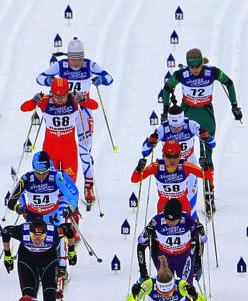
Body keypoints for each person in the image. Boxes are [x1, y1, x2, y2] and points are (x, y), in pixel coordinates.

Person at [36, 37, 114, 204]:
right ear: (68, 57)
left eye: (79, 59)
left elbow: (108, 78)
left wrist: (99, 80)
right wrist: (53, 81)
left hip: (83, 110)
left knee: (85, 150)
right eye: (73, 59)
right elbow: (40, 78)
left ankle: (88, 185)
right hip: (64, 109)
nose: (76, 63)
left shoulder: (89, 65)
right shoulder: (61, 65)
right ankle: (56, 185)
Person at [162, 48, 241, 210]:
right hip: (187, 114)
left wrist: (234, 105)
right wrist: (165, 109)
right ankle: (177, 186)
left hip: (205, 114)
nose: (195, 70)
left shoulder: (211, 72)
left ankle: (209, 188)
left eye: (198, 66)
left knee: (207, 153)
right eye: (192, 67)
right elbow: (167, 88)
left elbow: (229, 82)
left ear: (201, 63)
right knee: (181, 152)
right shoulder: (182, 74)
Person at [21, 77, 98, 184]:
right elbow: (24, 108)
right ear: (52, 93)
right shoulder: (45, 100)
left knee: (70, 183)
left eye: (63, 96)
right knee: (51, 183)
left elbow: (95, 105)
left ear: (68, 92)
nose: (60, 99)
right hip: (50, 147)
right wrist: (33, 101)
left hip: (69, 148)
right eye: (56, 96)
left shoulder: (74, 99)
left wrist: (84, 99)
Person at [1, 211, 75, 301]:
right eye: (34, 236)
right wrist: (7, 255)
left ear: (45, 234)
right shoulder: (23, 231)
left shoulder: (54, 232)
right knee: (28, 298)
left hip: (48, 260)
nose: (37, 240)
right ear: (29, 233)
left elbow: (69, 229)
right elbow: (5, 231)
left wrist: (72, 251)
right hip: (27, 260)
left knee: (50, 298)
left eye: (40, 237)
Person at [136, 199, 205, 284]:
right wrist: (143, 272)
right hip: (164, 259)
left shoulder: (187, 219)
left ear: (180, 217)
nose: (171, 223)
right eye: (168, 219)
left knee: (187, 290)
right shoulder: (157, 220)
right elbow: (140, 242)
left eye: (175, 220)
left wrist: (198, 264)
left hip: (184, 259)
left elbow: (201, 240)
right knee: (165, 292)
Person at [131, 139, 207, 215]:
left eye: (175, 156)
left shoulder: (185, 166)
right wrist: (138, 169)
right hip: (164, 205)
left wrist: (205, 167)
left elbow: (206, 176)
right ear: (163, 156)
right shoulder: (155, 166)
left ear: (180, 156)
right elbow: (135, 179)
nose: (172, 160)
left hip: (183, 205)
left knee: (186, 226)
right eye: (168, 157)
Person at [141, 104, 214, 166]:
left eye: (180, 126)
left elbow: (213, 144)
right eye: (172, 127)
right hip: (169, 165)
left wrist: (207, 137)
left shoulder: (191, 124)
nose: (176, 129)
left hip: (189, 162)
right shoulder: (162, 129)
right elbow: (144, 151)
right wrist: (150, 143)